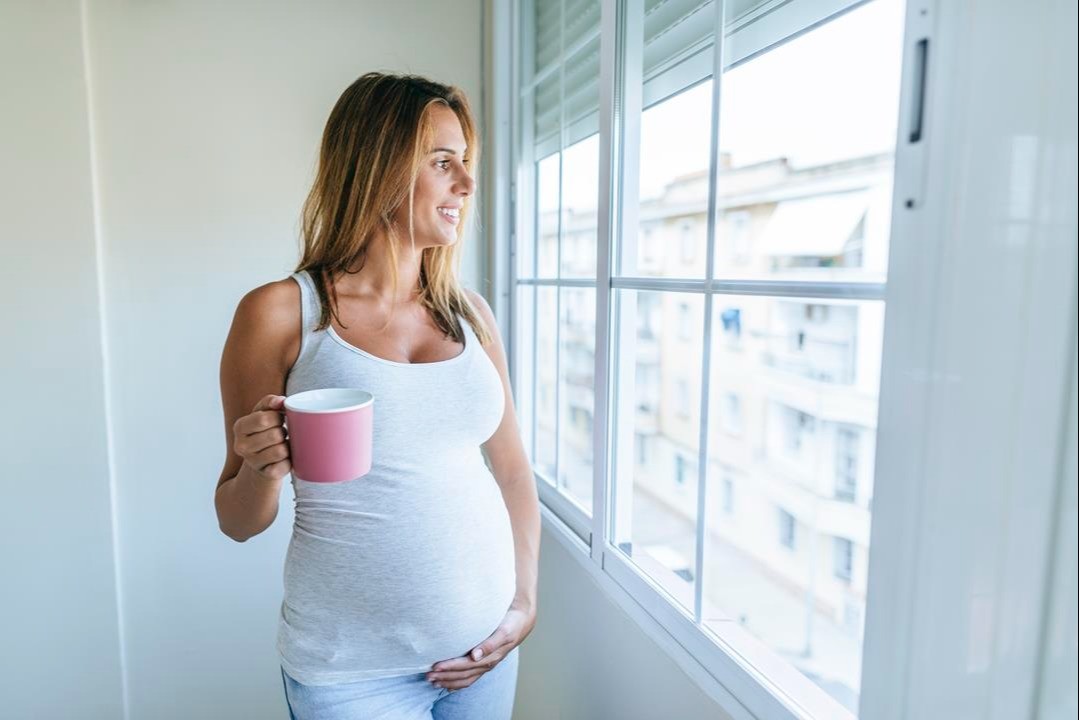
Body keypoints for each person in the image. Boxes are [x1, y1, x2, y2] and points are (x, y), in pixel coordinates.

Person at [213, 72, 540, 720]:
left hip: (483, 657)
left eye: (465, 164)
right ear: (378, 165)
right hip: (350, 677)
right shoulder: (282, 314)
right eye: (442, 162)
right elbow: (236, 520)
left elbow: (510, 470)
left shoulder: (471, 316)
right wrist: (261, 467)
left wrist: (523, 602)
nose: (466, 185)